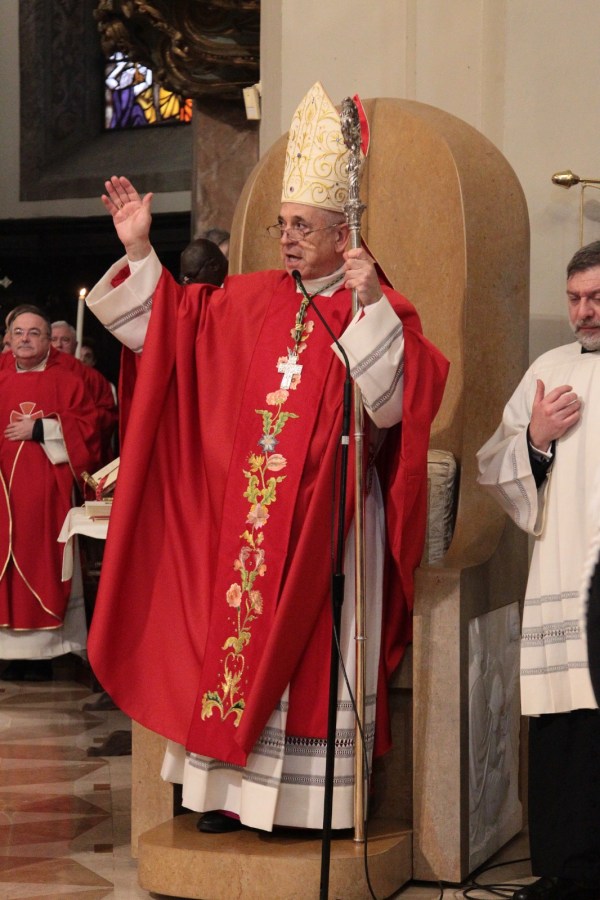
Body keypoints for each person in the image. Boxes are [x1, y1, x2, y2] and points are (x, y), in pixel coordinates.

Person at [85, 82, 448, 834]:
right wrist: (140, 250)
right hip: (247, 527)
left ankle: (297, 806)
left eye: (303, 225)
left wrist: (372, 306)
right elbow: (174, 336)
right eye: (282, 223)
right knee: (231, 644)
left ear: (345, 230)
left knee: (308, 657)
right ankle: (224, 793)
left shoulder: (377, 303)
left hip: (331, 525)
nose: (286, 237)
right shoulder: (251, 299)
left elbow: (392, 406)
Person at [477, 240, 600, 899]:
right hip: (567, 576)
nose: (584, 311)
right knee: (567, 725)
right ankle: (566, 872)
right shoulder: (547, 371)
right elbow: (495, 466)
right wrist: (536, 440)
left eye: (597, 298)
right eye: (576, 298)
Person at [0, 306, 102, 680]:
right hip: (3, 496)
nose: (25, 339)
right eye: (19, 332)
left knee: (44, 559)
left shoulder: (69, 380)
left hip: (47, 493)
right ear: (8, 338)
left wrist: (42, 429)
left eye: (35, 333)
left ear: (48, 343)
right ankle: (7, 654)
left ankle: (48, 654)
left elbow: (90, 429)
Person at [51, 320, 117, 463]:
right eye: (53, 339)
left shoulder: (93, 378)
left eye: (65, 340)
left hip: (81, 453)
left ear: (75, 345)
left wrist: (75, 421)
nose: (58, 345)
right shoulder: (34, 374)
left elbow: (108, 417)